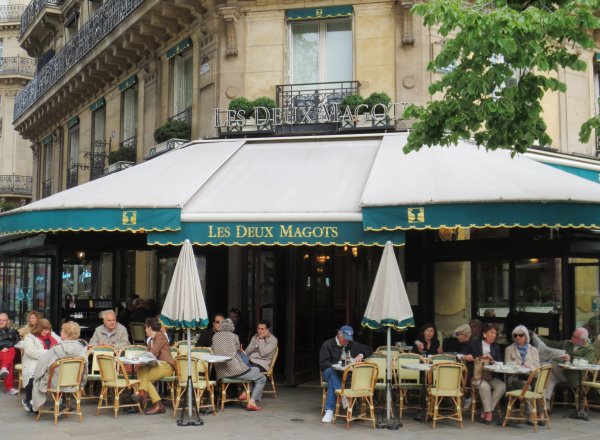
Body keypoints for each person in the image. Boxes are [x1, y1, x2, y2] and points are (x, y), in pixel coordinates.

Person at [319, 325, 373, 423]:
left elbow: (368, 348)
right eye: (345, 339)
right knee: (332, 372)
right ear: (339, 334)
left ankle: (330, 411)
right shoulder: (327, 344)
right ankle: (344, 396)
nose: (346, 341)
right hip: (328, 372)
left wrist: (360, 355)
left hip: (343, 375)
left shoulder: (351, 344)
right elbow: (323, 363)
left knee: (333, 382)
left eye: (348, 339)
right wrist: (336, 365)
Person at [31, 322, 87, 412]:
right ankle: (63, 403)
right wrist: (82, 382)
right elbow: (85, 369)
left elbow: (41, 365)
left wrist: (37, 377)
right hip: (75, 383)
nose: (60, 332)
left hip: (56, 383)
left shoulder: (56, 349)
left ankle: (35, 406)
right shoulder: (82, 349)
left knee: (38, 378)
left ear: (67, 333)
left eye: (62, 331)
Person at [212, 318, 266, 411]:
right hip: (235, 369)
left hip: (221, 372)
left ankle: (245, 393)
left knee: (256, 370)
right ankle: (252, 402)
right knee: (262, 378)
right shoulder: (234, 336)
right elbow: (237, 349)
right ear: (232, 327)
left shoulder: (215, 336)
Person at [538, 327, 596, 403]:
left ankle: (542, 401)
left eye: (575, 337)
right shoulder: (568, 343)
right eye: (573, 335)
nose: (572, 337)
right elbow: (551, 344)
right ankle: (545, 402)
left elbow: (588, 360)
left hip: (574, 376)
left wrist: (571, 358)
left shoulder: (589, 349)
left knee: (549, 368)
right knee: (549, 372)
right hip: (561, 372)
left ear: (582, 340)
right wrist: (537, 337)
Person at [463, 323, 505, 424]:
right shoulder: (473, 344)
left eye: (495, 333)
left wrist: (492, 361)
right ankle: (489, 413)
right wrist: (466, 356)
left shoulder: (496, 347)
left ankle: (486, 410)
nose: (494, 335)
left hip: (490, 376)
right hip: (476, 377)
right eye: (492, 332)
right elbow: (461, 354)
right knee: (484, 386)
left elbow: (500, 363)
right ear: (485, 334)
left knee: (501, 386)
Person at [133, 317, 175, 415]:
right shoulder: (150, 340)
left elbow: (153, 352)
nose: (145, 330)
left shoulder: (160, 336)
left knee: (143, 375)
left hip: (166, 366)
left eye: (145, 328)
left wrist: (141, 359)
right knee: (143, 374)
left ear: (150, 328)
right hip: (157, 366)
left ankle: (143, 393)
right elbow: (150, 356)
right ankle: (157, 403)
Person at [21, 319, 61, 412]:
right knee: (32, 379)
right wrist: (49, 353)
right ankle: (29, 401)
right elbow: (31, 351)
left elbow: (61, 344)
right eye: (45, 330)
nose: (47, 332)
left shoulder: (52, 335)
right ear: (39, 329)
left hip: (49, 364)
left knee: (59, 377)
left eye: (48, 329)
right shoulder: (29, 337)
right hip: (34, 363)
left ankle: (60, 401)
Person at [504, 325, 540, 390]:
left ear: (526, 336)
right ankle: (528, 400)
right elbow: (507, 366)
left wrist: (530, 366)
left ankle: (539, 400)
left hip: (531, 376)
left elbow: (538, 367)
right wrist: (519, 366)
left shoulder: (534, 350)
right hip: (515, 377)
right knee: (527, 387)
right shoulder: (509, 349)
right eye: (515, 335)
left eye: (520, 335)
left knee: (538, 386)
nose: (518, 337)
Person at [0, 312, 20, 395]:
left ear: (8, 321)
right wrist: (3, 348)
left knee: (11, 349)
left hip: (8, 353)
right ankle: (9, 388)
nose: (1, 322)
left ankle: (4, 368)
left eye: (3, 320)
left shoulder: (13, 331)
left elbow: (17, 341)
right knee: (9, 363)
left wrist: (7, 347)